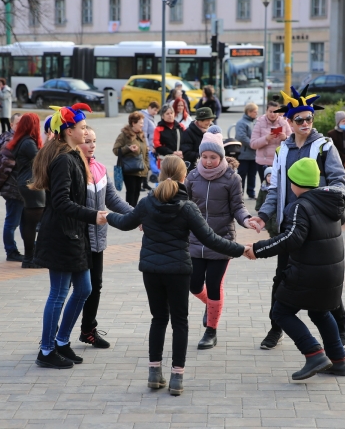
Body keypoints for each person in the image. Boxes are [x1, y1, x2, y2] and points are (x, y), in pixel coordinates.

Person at [106, 155, 249, 396]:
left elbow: (124, 223)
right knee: (180, 322)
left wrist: (106, 216)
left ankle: (154, 373)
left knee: (158, 319)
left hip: (151, 271)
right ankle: (176, 378)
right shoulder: (187, 207)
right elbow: (211, 240)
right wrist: (242, 250)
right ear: (185, 177)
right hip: (178, 271)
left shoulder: (147, 202)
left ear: (161, 174)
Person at [249, 86, 345, 351]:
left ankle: (341, 330)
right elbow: (275, 189)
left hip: (317, 227)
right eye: (300, 120)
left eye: (309, 118)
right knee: (281, 277)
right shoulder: (282, 149)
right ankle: (276, 328)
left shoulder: (324, 146)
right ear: (289, 121)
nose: (305, 123)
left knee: (322, 280)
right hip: (289, 224)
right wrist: (263, 216)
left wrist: (321, 202)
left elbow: (340, 183)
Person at [245, 157, 345, 380]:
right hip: (332, 273)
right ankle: (339, 362)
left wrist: (258, 249)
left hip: (309, 272)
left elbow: (291, 238)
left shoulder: (299, 206)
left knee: (281, 311)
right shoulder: (330, 202)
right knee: (320, 312)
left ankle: (314, 354)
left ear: (295, 183)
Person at [28, 103, 108, 369]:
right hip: (61, 235)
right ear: (68, 130)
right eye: (82, 128)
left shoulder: (73, 155)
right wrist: (92, 215)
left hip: (75, 235)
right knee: (59, 294)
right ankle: (46, 350)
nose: (86, 133)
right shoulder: (63, 159)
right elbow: (60, 202)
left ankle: (62, 342)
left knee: (84, 288)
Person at [186, 127, 257, 350]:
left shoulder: (232, 178)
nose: (208, 161)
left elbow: (238, 207)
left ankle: (211, 331)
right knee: (194, 285)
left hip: (221, 239)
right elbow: (183, 204)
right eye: (204, 156)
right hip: (195, 240)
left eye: (213, 157)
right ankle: (212, 305)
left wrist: (247, 220)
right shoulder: (193, 175)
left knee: (214, 285)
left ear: (221, 157)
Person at [78, 127, 133, 349]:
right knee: (74, 290)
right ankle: (56, 337)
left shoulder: (100, 168)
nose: (92, 145)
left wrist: (137, 215)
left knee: (94, 286)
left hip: (97, 239)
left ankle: (88, 330)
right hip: (78, 239)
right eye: (87, 141)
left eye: (94, 141)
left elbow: (112, 199)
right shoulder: (72, 169)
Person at [8, 113, 46, 268]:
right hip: (32, 184)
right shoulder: (28, 143)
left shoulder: (21, 141)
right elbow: (42, 161)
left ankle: (30, 257)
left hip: (26, 183)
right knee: (34, 223)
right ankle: (30, 258)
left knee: (28, 223)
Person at [0, 113, 25, 262]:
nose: (21, 126)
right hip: (14, 188)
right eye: (18, 123)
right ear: (12, 125)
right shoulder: (11, 142)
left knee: (23, 220)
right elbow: (4, 166)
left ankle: (29, 248)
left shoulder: (8, 138)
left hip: (17, 188)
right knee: (12, 222)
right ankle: (11, 251)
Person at [112, 112, 150, 207]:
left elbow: (145, 153)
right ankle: (129, 214)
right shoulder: (124, 135)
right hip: (129, 171)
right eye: (140, 123)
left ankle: (133, 214)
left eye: (142, 123)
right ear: (133, 123)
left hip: (141, 170)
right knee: (131, 193)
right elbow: (116, 150)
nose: (142, 125)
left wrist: (147, 166)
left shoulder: (141, 135)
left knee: (136, 193)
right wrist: (128, 148)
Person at [251, 101, 292, 180]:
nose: (273, 114)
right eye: (270, 111)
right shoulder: (259, 123)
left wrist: (285, 138)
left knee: (280, 188)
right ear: (266, 111)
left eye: (275, 112)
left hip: (280, 162)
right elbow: (253, 144)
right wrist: (266, 138)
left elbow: (293, 141)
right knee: (266, 188)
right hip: (264, 162)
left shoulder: (284, 123)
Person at [235, 103, 259, 199]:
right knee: (242, 174)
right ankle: (239, 193)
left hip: (254, 154)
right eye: (255, 112)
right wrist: (253, 144)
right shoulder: (241, 122)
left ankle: (251, 192)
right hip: (244, 154)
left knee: (252, 174)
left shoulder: (255, 122)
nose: (256, 113)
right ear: (249, 112)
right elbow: (241, 137)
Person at [181, 107, 215, 172]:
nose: (209, 123)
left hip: (211, 168)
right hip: (195, 169)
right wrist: (206, 156)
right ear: (200, 120)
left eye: (210, 120)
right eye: (207, 120)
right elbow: (187, 154)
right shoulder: (188, 133)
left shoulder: (213, 131)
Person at [255, 167, 278, 238]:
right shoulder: (263, 187)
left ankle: (275, 235)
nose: (270, 178)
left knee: (275, 225)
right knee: (268, 225)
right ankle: (271, 235)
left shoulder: (277, 188)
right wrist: (258, 207)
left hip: (275, 211)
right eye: (268, 176)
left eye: (272, 176)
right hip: (266, 211)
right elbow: (260, 198)